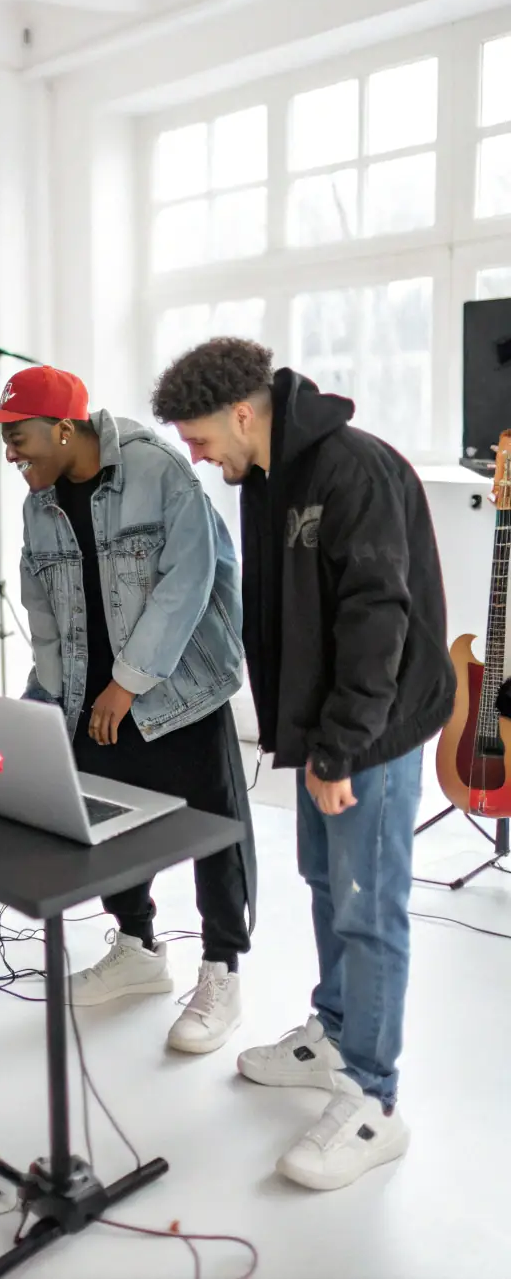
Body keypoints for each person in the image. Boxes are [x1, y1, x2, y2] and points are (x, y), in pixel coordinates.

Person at [153, 338, 455, 1190]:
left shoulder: (351, 470)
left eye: (201, 438)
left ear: (242, 412)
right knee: (326, 882)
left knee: (367, 902)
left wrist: (339, 746)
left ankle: (374, 1100)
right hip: (325, 727)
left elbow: (377, 619)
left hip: (374, 730)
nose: (198, 456)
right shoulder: (268, 476)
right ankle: (333, 1033)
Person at [0, 366, 256, 1053]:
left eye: (19, 439)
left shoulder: (157, 470)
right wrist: (53, 700)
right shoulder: (36, 503)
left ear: (64, 428)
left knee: (212, 829)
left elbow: (189, 581)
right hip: (91, 698)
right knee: (108, 824)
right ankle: (138, 947)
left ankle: (222, 970)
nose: (11, 454)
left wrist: (129, 681)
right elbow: (40, 606)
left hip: (178, 689)